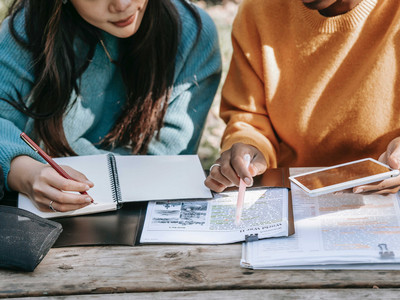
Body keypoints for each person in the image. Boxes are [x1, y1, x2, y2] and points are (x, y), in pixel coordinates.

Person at [0, 0, 221, 211]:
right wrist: (24, 172)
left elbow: (166, 161)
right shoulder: (31, 25)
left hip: (143, 215)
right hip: (42, 215)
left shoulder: (192, 33)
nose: (122, 5)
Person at [205, 0, 400, 194]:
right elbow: (249, 117)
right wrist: (249, 147)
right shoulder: (259, 11)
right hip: (291, 197)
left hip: (387, 200)